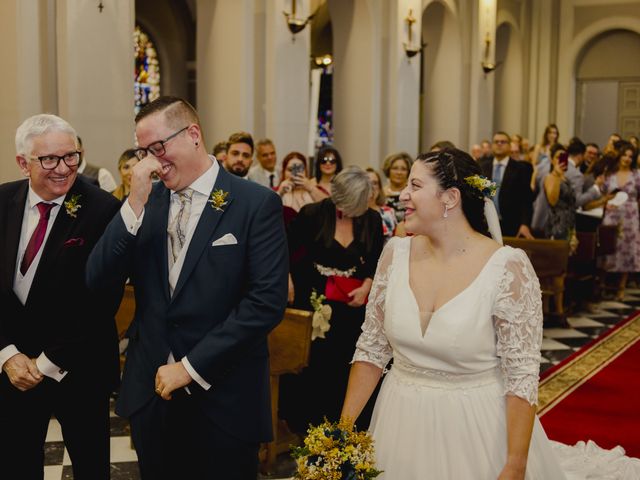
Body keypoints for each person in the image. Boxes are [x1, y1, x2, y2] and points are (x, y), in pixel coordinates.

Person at [340, 148, 640, 479]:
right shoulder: (394, 255)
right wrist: (341, 434)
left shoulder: (507, 268)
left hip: (475, 431)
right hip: (398, 423)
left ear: (450, 198)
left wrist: (514, 463)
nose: (404, 194)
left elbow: (521, 376)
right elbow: (371, 350)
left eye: (415, 185)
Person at [86, 96, 289, 479]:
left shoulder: (254, 204)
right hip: (152, 394)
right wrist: (132, 204)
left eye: (159, 148)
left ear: (193, 134)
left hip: (225, 396)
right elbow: (96, 280)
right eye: (143, 151)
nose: (152, 161)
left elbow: (265, 302)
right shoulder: (147, 202)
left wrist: (190, 367)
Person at [0, 114, 122, 479]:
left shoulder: (102, 209)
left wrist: (46, 363)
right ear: (23, 163)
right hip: (14, 369)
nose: (63, 168)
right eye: (49, 159)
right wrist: (7, 355)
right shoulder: (2, 201)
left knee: (90, 467)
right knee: (15, 463)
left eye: (71, 156)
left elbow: (101, 299)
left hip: (79, 366)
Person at [280, 166, 384, 434]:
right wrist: (288, 279)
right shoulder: (313, 214)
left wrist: (367, 286)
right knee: (315, 366)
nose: (350, 213)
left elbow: (377, 262)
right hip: (314, 299)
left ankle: (346, 425)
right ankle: (310, 427)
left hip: (352, 305)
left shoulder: (371, 219)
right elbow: (285, 248)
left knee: (345, 364)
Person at [598, 142, 640, 301]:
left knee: (627, 250)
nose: (627, 159)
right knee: (608, 247)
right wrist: (605, 203)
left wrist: (634, 209)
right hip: (612, 213)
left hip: (630, 217)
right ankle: (601, 285)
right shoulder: (610, 174)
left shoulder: (637, 174)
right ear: (619, 156)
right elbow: (601, 194)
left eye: (630, 156)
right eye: (625, 155)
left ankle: (621, 288)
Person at [479, 132, 534, 238]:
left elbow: (526, 200)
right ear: (492, 146)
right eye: (496, 142)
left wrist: (525, 224)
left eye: (503, 142)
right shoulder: (483, 167)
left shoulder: (520, 169)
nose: (499, 144)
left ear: (509, 146)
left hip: (511, 225)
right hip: (486, 223)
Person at [366, 167, 397, 242]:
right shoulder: (354, 214)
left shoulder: (389, 212)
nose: (371, 187)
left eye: (375, 183)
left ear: (380, 188)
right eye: (367, 182)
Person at [382, 151, 413, 223]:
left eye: (403, 169)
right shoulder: (381, 194)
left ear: (408, 172)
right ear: (388, 170)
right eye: (395, 168)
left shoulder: (412, 195)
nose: (399, 172)